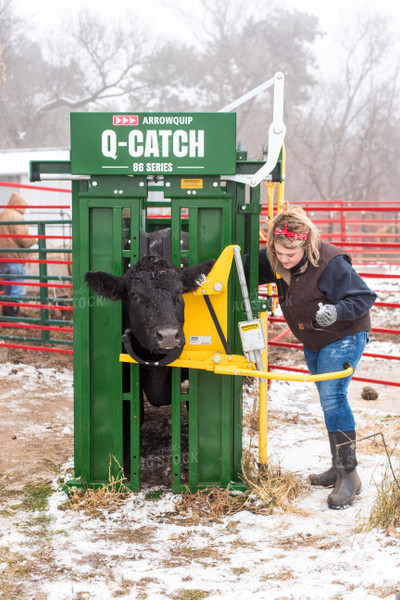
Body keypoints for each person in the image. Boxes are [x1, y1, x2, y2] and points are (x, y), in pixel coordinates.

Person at [246, 202, 377, 509]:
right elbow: (244, 266)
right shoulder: (276, 258)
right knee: (327, 399)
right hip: (313, 337)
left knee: (334, 398)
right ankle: (337, 466)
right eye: (279, 253)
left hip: (343, 334)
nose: (284, 260)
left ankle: (350, 475)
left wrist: (337, 310)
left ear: (306, 244)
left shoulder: (330, 264)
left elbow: (364, 297)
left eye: (291, 255)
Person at [0, 192, 37, 317]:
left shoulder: (2, 214)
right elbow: (23, 239)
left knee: (8, 287)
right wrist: (35, 239)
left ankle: (5, 315)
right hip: (14, 258)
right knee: (16, 288)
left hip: (2, 258)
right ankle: (12, 317)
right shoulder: (17, 217)